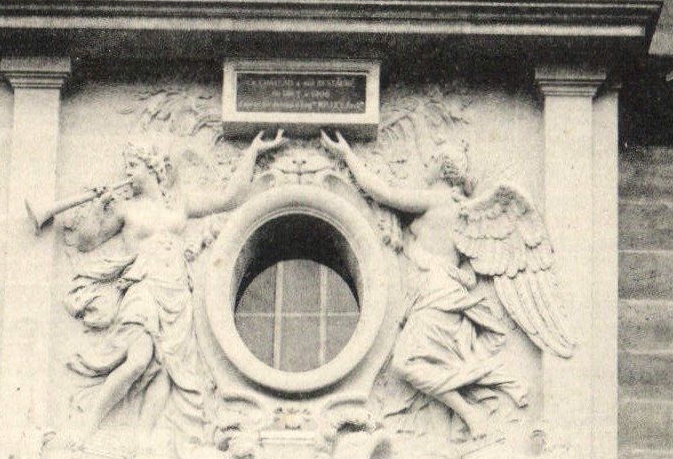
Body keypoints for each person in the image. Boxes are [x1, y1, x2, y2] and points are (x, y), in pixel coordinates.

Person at [63, 130, 284, 439]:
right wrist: (98, 206)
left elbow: (228, 198)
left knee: (167, 369)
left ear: (151, 167)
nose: (128, 173)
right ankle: (88, 425)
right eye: (127, 166)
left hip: (177, 291)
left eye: (132, 166)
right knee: (138, 357)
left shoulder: (180, 204)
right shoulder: (126, 209)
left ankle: (141, 443)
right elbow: (87, 241)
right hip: (143, 285)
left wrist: (253, 153)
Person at [320, 131, 535, 436]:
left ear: (443, 168)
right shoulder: (456, 207)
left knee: (406, 364)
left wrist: (347, 156)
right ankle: (474, 410)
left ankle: (475, 412)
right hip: (439, 293)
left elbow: (382, 192)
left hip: (436, 294)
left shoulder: (437, 199)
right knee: (419, 363)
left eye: (434, 158)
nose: (428, 162)